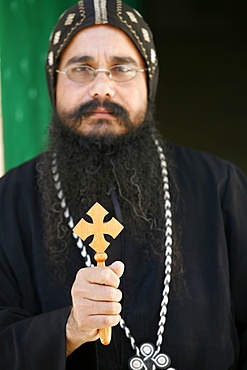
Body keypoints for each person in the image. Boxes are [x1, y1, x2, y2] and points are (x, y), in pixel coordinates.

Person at [0, 0, 247, 369]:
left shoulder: (219, 186)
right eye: (81, 69)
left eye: (122, 69)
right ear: (54, 82)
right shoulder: (9, 200)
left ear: (149, 80)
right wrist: (67, 330)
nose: (102, 88)